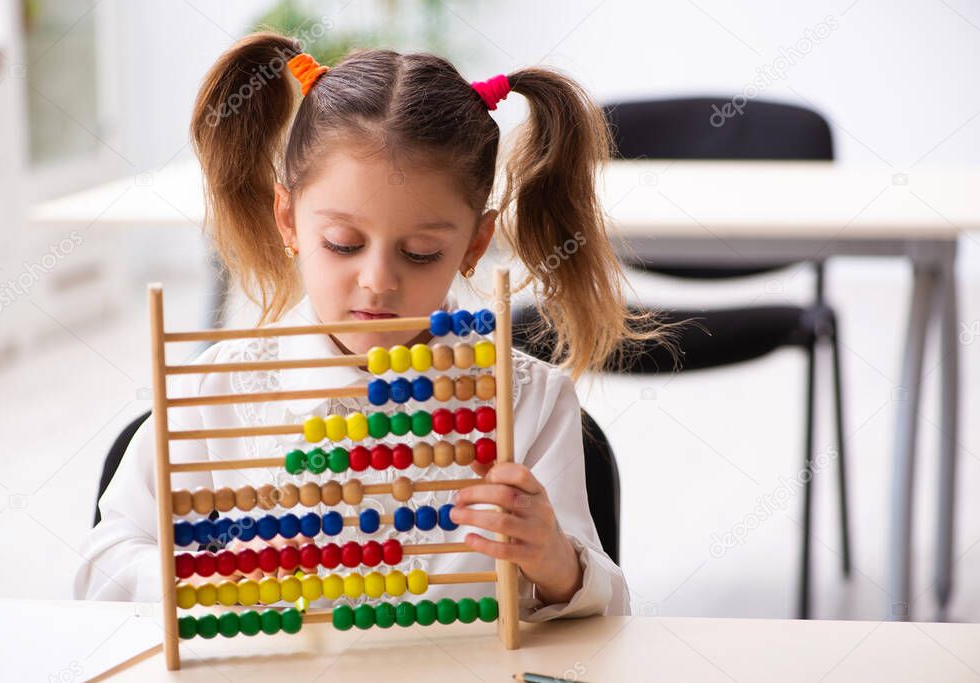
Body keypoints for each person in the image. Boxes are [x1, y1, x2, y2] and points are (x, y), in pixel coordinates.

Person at [74, 33, 659, 622]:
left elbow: (609, 616)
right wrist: (210, 581)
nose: (378, 280)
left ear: (475, 244)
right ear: (289, 219)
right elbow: (103, 567)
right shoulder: (210, 396)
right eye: (343, 244)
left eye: (423, 251)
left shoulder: (525, 403)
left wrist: (557, 563)